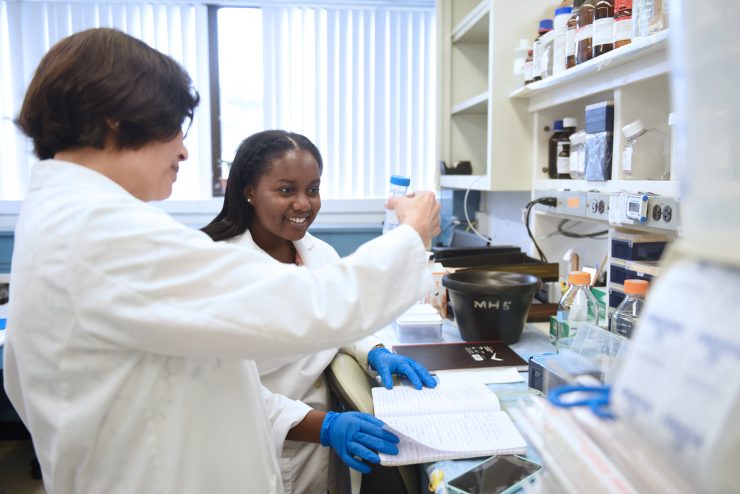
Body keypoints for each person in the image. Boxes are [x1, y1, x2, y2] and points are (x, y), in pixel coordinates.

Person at [3, 28, 440, 494]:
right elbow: (311, 304)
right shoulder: (100, 233)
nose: (184, 150)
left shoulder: (63, 217)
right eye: (175, 126)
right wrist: (412, 233)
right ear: (115, 120)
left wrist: (371, 347)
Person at [202, 129, 438, 493]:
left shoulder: (317, 252)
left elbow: (339, 315)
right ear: (248, 190)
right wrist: (325, 426)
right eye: (286, 190)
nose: (303, 203)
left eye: (312, 189)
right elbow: (226, 394)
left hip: (318, 457)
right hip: (262, 453)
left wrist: (374, 351)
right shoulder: (221, 269)